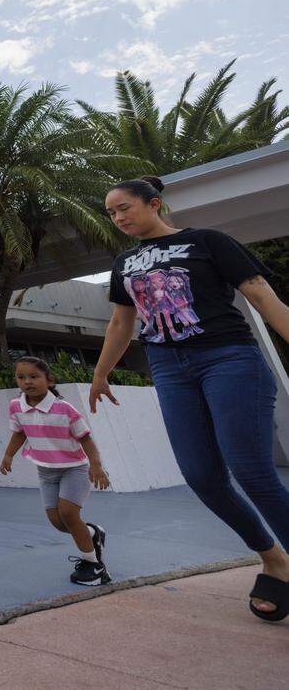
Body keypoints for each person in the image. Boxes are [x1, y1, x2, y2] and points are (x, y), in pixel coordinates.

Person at [90, 175, 289, 622]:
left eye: (124, 207)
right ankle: (274, 557)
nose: (118, 217)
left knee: (252, 471)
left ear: (153, 204)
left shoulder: (207, 241)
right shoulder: (124, 262)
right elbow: (122, 322)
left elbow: (260, 294)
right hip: (169, 370)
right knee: (202, 476)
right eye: (111, 212)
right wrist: (101, 373)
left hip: (227, 358)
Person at [1, 356, 112, 586]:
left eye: (34, 376)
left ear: (49, 380)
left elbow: (86, 439)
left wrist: (96, 465)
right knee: (58, 522)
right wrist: (8, 455)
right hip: (46, 472)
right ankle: (93, 534)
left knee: (69, 514)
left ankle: (95, 565)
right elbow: (19, 432)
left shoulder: (64, 409)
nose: (27, 382)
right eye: (21, 377)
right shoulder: (16, 406)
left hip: (74, 469)